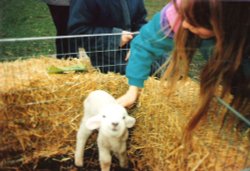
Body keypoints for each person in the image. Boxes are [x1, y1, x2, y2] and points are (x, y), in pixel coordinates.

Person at [117, 0, 250, 140]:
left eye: (194, 21)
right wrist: (133, 89)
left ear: (224, 21)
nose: (185, 24)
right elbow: (145, 43)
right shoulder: (179, 11)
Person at [67, 0, 147, 74]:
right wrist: (115, 38)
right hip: (104, 59)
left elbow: (140, 22)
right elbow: (77, 31)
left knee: (155, 68)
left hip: (134, 52)